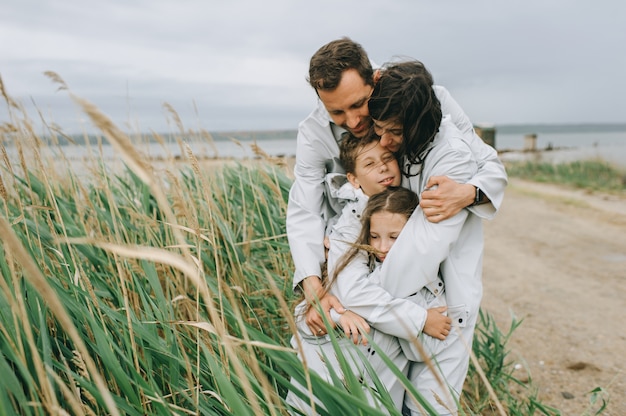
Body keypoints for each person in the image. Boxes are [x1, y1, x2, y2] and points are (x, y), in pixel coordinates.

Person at [287, 37, 507, 338]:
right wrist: (315, 290)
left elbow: (489, 164)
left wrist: (469, 192)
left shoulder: (431, 100)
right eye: (336, 113)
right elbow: (303, 210)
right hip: (358, 258)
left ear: (375, 80)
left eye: (357, 105)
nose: (351, 121)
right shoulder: (312, 133)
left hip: (429, 256)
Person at [367, 59, 493, 415]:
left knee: (429, 408)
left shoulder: (451, 156)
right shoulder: (404, 143)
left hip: (444, 309)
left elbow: (421, 251)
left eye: (394, 131)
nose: (384, 141)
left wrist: (363, 297)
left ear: (419, 123)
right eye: (380, 129)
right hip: (405, 308)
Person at [287, 185, 449, 415]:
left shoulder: (425, 284)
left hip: (376, 402)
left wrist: (414, 319)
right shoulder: (347, 271)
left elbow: (421, 351)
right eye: (374, 236)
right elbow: (304, 320)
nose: (382, 246)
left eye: (394, 237)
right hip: (323, 399)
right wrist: (338, 316)